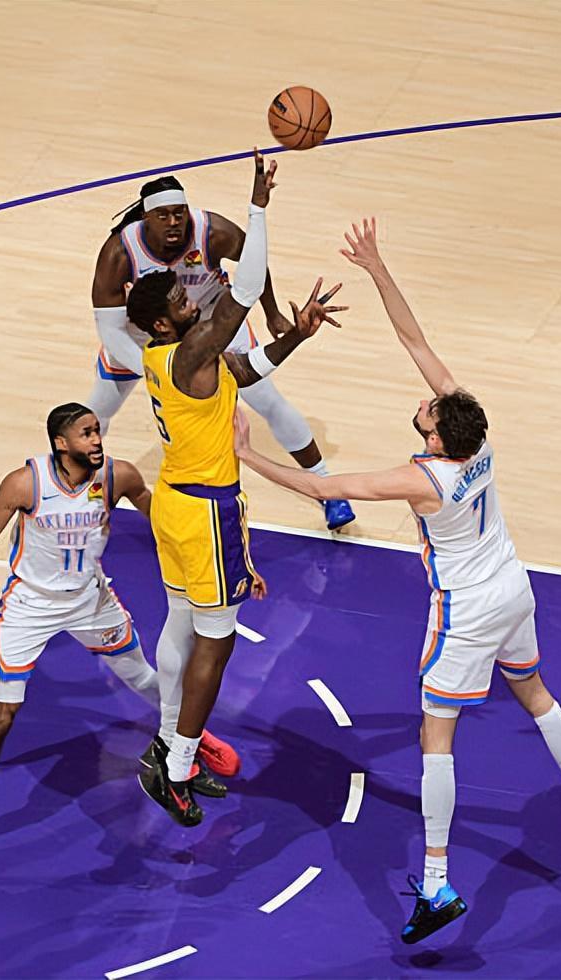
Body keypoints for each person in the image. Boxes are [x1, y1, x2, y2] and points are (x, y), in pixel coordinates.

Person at [232, 217, 561, 945]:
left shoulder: (424, 479)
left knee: (434, 736)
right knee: (536, 694)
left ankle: (437, 882)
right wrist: (378, 267)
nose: (424, 401)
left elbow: (325, 488)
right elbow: (416, 343)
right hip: (514, 587)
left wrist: (249, 458)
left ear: (436, 436)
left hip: (466, 608)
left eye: (428, 411)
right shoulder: (478, 438)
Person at [126, 151, 344, 827]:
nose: (191, 297)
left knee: (180, 625)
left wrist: (296, 336)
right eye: (179, 300)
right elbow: (244, 291)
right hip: (205, 511)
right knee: (215, 644)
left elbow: (245, 369)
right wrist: (259, 205)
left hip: (174, 503)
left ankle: (167, 743)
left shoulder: (172, 357)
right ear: (165, 323)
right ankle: (179, 767)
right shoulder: (190, 350)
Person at [0, 403, 225, 876]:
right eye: (86, 433)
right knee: (1, 716)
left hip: (91, 600)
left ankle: (186, 734)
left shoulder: (117, 476)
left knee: (145, 679)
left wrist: (207, 560)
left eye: (97, 431)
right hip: (30, 606)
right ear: (61, 442)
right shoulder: (25, 484)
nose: (96, 440)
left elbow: (163, 523)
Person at [89, 171, 355, 531]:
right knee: (96, 412)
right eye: (163, 215)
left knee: (267, 399)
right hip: (143, 334)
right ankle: (85, 489)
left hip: (213, 319)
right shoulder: (119, 252)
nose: (174, 222)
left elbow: (252, 264)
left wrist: (274, 314)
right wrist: (161, 372)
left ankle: (327, 487)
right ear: (146, 218)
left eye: (179, 213)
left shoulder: (212, 232)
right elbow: (110, 329)